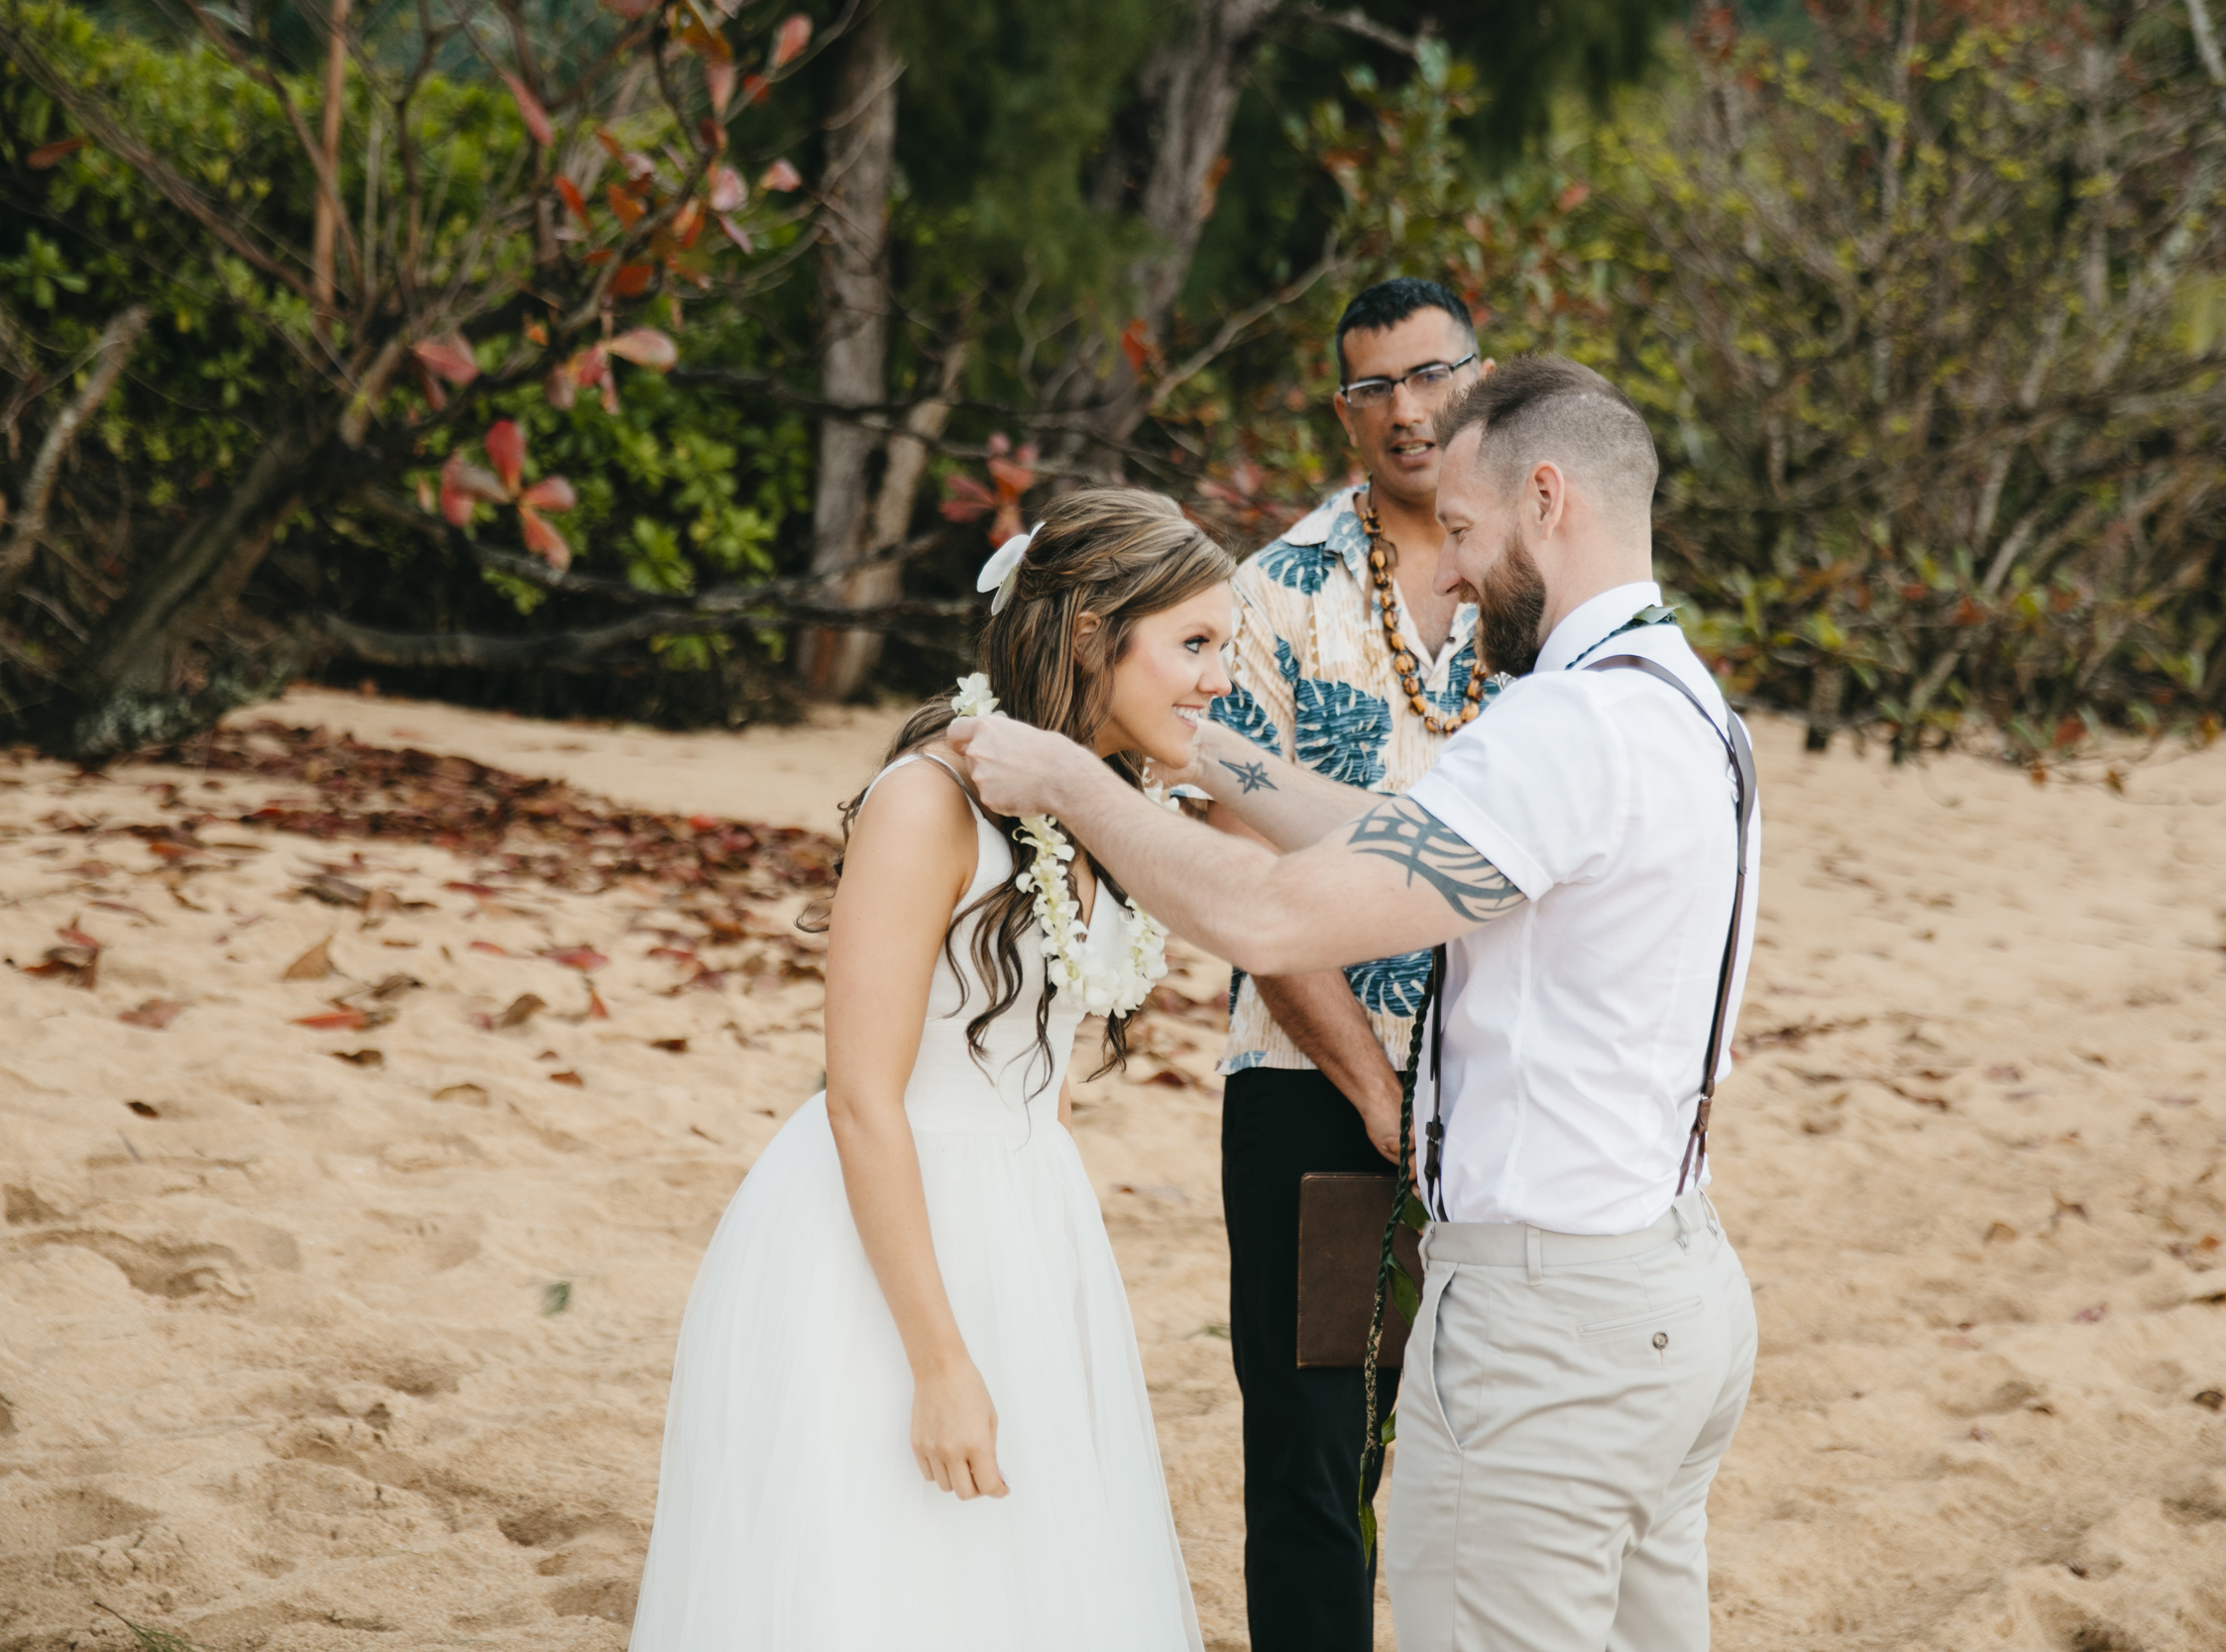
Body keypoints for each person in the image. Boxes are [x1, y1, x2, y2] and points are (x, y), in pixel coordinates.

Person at [950, 358, 1762, 1652]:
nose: (1447, 571)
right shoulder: (1683, 708)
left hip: (1552, 1334)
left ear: (1547, 498)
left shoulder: (1567, 730)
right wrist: (1190, 745)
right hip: (1674, 1294)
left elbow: (1271, 914)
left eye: (1465, 529)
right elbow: (1403, 829)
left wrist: (1069, 778)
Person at [626, 490, 1235, 1652]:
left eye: (1224, 647)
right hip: (882, 1234)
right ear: (1091, 630)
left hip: (1028, 1213)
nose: (1216, 677)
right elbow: (859, 1096)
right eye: (1194, 643)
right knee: (881, 1577)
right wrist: (941, 1357)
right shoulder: (929, 801)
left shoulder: (1102, 800)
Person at [1201, 276, 1499, 1652]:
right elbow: (1247, 872)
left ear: (1481, 376)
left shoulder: (1538, 581)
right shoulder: (1275, 596)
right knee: (1322, 1461)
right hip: (1316, 1087)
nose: (1409, 410)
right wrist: (1376, 1088)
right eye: (1375, 387)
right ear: (1344, 412)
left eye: (1432, 374)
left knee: (1483, 1448)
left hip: (1504, 1085)